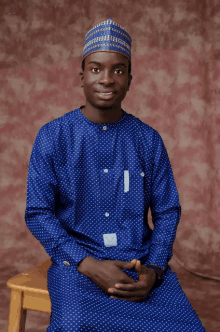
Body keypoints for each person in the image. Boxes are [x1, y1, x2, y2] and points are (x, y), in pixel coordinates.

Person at [25, 18, 205, 332]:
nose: (107, 79)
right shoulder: (53, 137)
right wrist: (87, 263)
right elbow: (38, 213)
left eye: (118, 70)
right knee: (74, 325)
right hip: (77, 268)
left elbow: (167, 210)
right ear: (81, 77)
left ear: (130, 80)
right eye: (96, 69)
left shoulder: (148, 140)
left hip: (139, 265)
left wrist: (154, 268)